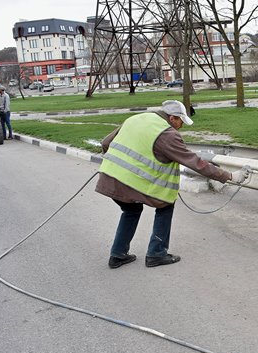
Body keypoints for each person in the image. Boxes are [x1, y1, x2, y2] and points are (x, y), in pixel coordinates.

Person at [95, 99, 249, 269]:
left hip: (109, 177)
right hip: (131, 183)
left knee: (131, 210)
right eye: (181, 121)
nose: (181, 126)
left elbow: (105, 143)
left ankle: (117, 255)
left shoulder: (136, 119)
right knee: (165, 204)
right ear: (172, 118)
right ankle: (156, 254)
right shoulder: (167, 134)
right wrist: (230, 176)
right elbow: (196, 163)